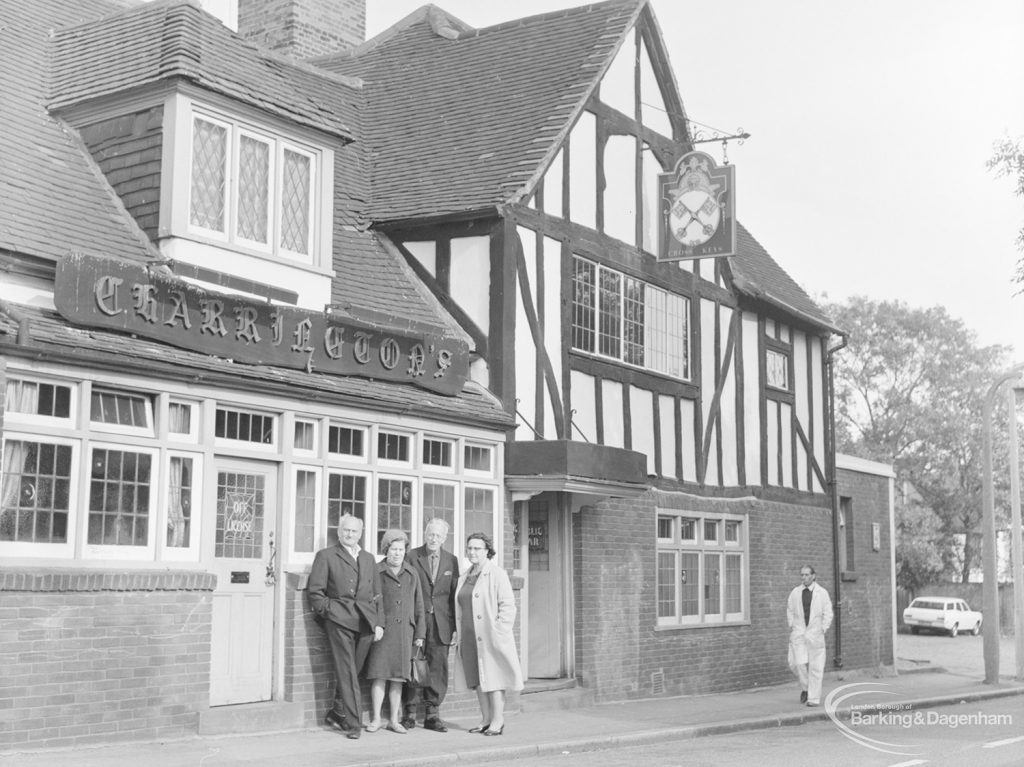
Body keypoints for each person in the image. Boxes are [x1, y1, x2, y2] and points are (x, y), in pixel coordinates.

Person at [308, 515, 384, 739]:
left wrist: (379, 623)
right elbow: (316, 592)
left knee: (355, 671)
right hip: (339, 621)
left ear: (360, 534)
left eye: (354, 531)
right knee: (348, 672)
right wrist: (329, 612)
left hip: (366, 622)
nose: (349, 535)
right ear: (339, 532)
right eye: (345, 530)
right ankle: (353, 724)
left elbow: (378, 595)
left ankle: (336, 712)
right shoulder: (326, 556)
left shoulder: (369, 558)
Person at [454, 532, 523, 736]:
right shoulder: (465, 576)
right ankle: (485, 719)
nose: (473, 552)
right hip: (469, 636)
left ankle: (497, 721)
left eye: (477, 548)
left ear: (487, 551)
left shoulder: (496, 574)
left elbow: (508, 605)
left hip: (489, 636)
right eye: (470, 548)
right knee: (477, 679)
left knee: (494, 679)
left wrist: (499, 630)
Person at [363, 530, 425, 734]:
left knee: (398, 678)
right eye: (393, 549)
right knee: (379, 675)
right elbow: (370, 601)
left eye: (401, 549)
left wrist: (420, 634)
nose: (397, 553)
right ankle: (375, 719)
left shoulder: (411, 573)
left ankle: (394, 720)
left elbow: (419, 605)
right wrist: (375, 625)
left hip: (404, 634)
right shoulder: (376, 571)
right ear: (386, 549)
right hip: (382, 632)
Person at [401, 518, 460, 732]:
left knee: (437, 668)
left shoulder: (451, 561)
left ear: (444, 538)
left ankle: (432, 715)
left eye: (438, 535)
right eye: (430, 534)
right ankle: (408, 712)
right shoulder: (412, 556)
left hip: (442, 623)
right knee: (414, 663)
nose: (433, 538)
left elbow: (454, 596)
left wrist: (455, 628)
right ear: (425, 535)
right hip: (417, 620)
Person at [786, 565, 834, 707]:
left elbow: (828, 612)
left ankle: (813, 698)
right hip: (799, 632)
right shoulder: (795, 592)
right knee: (796, 663)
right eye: (802, 575)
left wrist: (823, 628)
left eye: (807, 575)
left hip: (815, 634)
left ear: (813, 576)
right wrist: (792, 625)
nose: (804, 577)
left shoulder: (822, 593)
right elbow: (790, 609)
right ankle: (806, 688)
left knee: (816, 667)